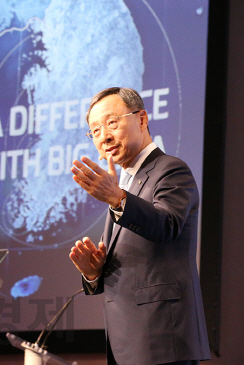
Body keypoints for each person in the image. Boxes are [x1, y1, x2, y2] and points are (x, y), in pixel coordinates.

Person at [68, 87, 210, 365]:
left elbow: (167, 226)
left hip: (162, 340)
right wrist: (94, 272)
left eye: (111, 122)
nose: (104, 136)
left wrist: (118, 198)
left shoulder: (170, 169)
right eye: (95, 131)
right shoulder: (125, 184)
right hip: (129, 344)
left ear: (142, 119)